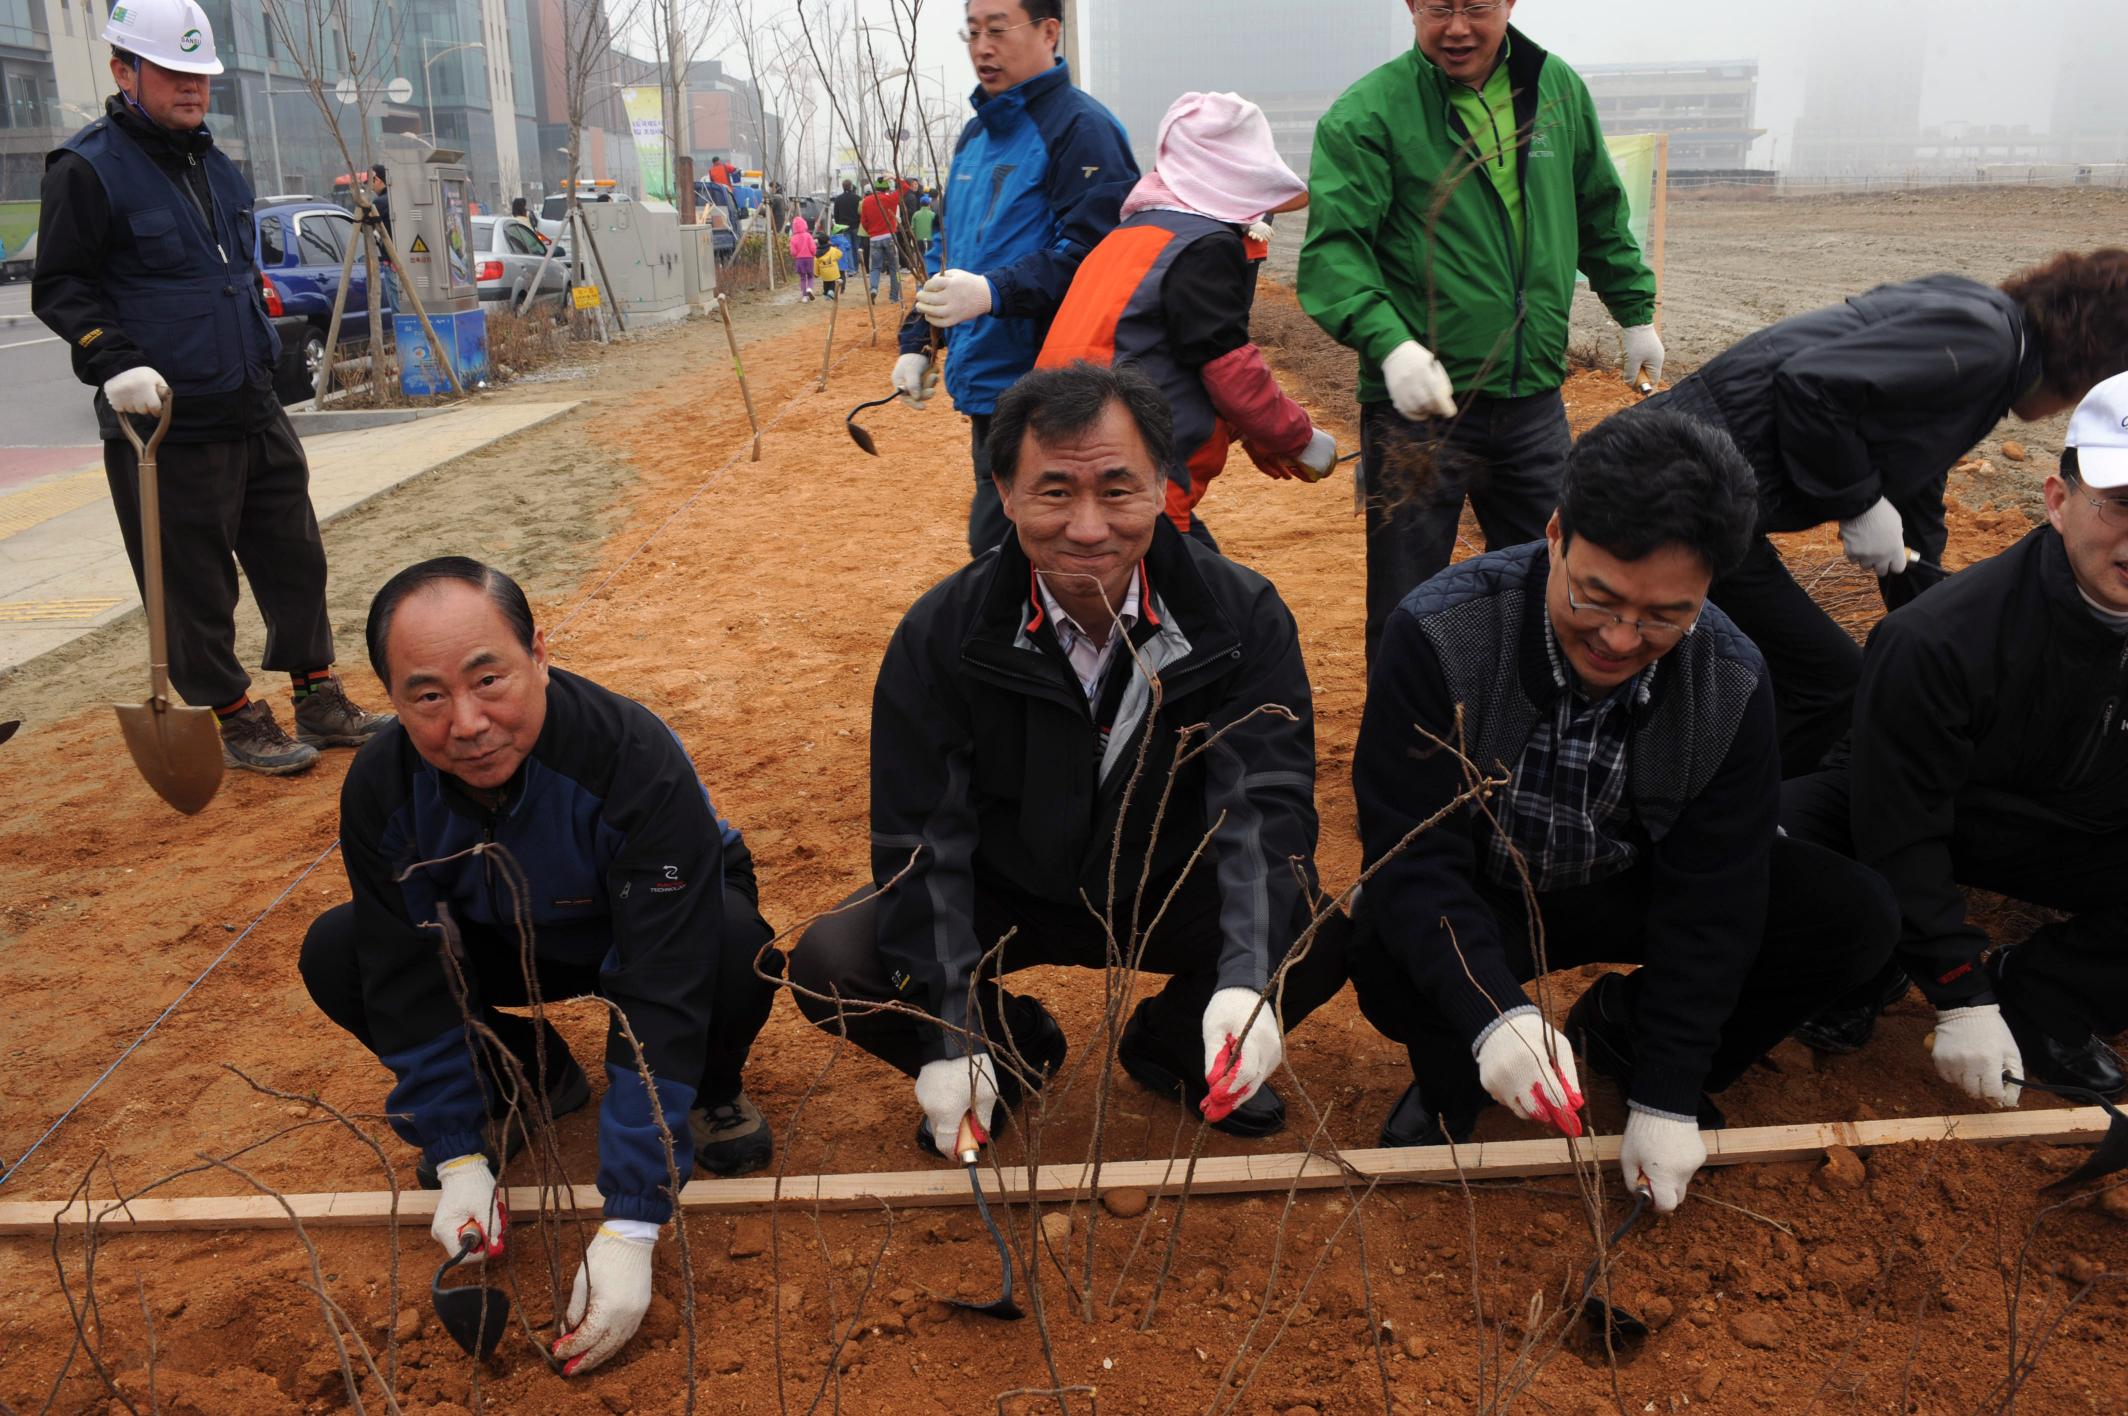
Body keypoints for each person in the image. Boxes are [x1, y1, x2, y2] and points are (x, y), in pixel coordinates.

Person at [1347, 406, 1898, 1214]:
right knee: (1390, 953)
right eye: (1597, 597)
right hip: (1488, 886)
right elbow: (1412, 858)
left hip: (1635, 878)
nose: (1619, 637)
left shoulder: (1732, 680)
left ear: (1710, 584)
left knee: (1848, 915)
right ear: (1557, 533)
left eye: (1665, 614)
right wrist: (1495, 1016)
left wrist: (1670, 1094)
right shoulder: (1442, 634)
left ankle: (1628, 1039)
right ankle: (1453, 1076)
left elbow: (1716, 896)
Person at [789, 363, 1347, 1154]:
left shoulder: (1240, 615)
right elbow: (923, 841)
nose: (1088, 527)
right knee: (837, 958)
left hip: (1167, 886)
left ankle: (1186, 1046)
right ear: (1005, 491)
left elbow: (1263, 806)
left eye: (1118, 490)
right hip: (1007, 888)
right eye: (1054, 492)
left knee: (1312, 934)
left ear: (1163, 484)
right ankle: (1004, 1054)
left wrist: (1246, 979)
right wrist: (950, 1033)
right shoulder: (943, 632)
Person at [301, 557, 785, 1375]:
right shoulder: (382, 788)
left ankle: (709, 1090)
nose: (467, 722)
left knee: (734, 947)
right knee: (341, 950)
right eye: (427, 695)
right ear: (391, 698)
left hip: (647, 921)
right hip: (502, 935)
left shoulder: (628, 753)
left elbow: (660, 982)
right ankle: (526, 1079)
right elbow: (405, 969)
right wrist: (454, 1151)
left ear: (540, 656)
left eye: (489, 680)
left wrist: (632, 1220)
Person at [32, 0, 391, 776]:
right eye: (173, 72)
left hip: (249, 400)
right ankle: (232, 715)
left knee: (294, 554)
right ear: (124, 71)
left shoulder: (216, 163)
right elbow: (62, 287)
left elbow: (233, 275)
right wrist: (111, 360)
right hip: (162, 419)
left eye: (199, 73)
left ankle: (317, 691)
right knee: (194, 578)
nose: (191, 88)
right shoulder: (86, 169)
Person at [1646, 250, 2128, 777]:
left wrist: (1926, 609)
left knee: (1749, 660)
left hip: (1701, 487)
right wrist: (1860, 502)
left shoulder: (1991, 341)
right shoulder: (1986, 344)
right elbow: (1812, 384)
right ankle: (1747, 814)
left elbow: (1917, 477)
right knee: (1830, 684)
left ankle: (1692, 771)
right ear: (2087, 362)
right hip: (1682, 490)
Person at [1782, 372, 2128, 1101]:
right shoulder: (1939, 640)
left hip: (2075, 819)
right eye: (2122, 506)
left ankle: (2043, 996)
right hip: (1931, 804)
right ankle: (1872, 964)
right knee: (1787, 853)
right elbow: (1899, 822)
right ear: (2059, 503)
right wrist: (1957, 990)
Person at [1301, 0, 1662, 664]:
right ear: (1411, 6)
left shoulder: (1555, 91)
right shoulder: (1371, 113)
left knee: (1556, 585)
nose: (1458, 28)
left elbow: (1598, 210)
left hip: (1532, 404)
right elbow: (1334, 256)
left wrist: (1634, 311)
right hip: (1417, 413)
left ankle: (1530, 745)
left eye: (1476, 7)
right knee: (1408, 603)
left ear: (1509, 4)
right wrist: (1392, 345)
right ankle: (1406, 758)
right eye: (1439, 8)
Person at [889, 0, 1139, 558]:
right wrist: (919, 342)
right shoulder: (974, 139)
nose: (982, 46)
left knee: (1041, 550)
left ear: (1049, 31)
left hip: (1057, 392)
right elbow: (946, 255)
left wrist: (992, 292)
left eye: (998, 30)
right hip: (990, 390)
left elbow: (1098, 258)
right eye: (973, 32)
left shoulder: (1084, 131)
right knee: (1008, 546)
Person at [1036, 91, 1337, 547]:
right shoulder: (1205, 246)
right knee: (1201, 608)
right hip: (1129, 478)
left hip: (1064, 460)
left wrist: (1256, 432)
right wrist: (1296, 438)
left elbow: (1157, 350)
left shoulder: (1131, 235)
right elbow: (1226, 365)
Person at [860, 175, 904, 305]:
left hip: (874, 238)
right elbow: (904, 188)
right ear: (886, 188)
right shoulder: (890, 199)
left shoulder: (866, 201)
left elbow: (863, 221)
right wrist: (894, 177)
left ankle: (873, 288)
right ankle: (894, 296)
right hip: (890, 236)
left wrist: (871, 232)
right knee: (894, 267)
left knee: (875, 267)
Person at [830, 180, 863, 276]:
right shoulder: (858, 198)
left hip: (843, 227)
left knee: (847, 247)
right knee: (856, 247)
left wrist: (838, 223)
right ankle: (856, 268)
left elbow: (836, 214)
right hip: (856, 226)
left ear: (843, 187)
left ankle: (850, 269)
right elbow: (861, 213)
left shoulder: (838, 199)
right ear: (851, 187)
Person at [790, 215, 818, 301]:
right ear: (805, 225)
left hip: (799, 260)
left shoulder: (793, 238)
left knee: (802, 277)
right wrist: (814, 253)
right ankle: (809, 288)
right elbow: (813, 247)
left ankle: (804, 296)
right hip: (809, 258)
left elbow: (793, 252)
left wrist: (795, 255)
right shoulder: (808, 235)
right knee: (810, 276)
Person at [911, 194, 937, 276]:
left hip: (919, 239)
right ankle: (930, 271)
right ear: (929, 204)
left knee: (920, 254)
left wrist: (913, 238)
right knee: (930, 254)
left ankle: (921, 270)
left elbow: (912, 228)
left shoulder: (915, 214)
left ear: (920, 204)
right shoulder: (933, 214)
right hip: (930, 239)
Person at [816, 228, 844, 300]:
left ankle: (826, 293)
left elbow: (816, 264)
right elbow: (840, 254)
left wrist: (816, 273)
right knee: (832, 283)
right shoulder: (832, 249)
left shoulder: (817, 253)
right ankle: (831, 292)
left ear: (818, 242)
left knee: (826, 283)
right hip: (833, 271)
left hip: (824, 272)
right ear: (828, 241)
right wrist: (835, 259)